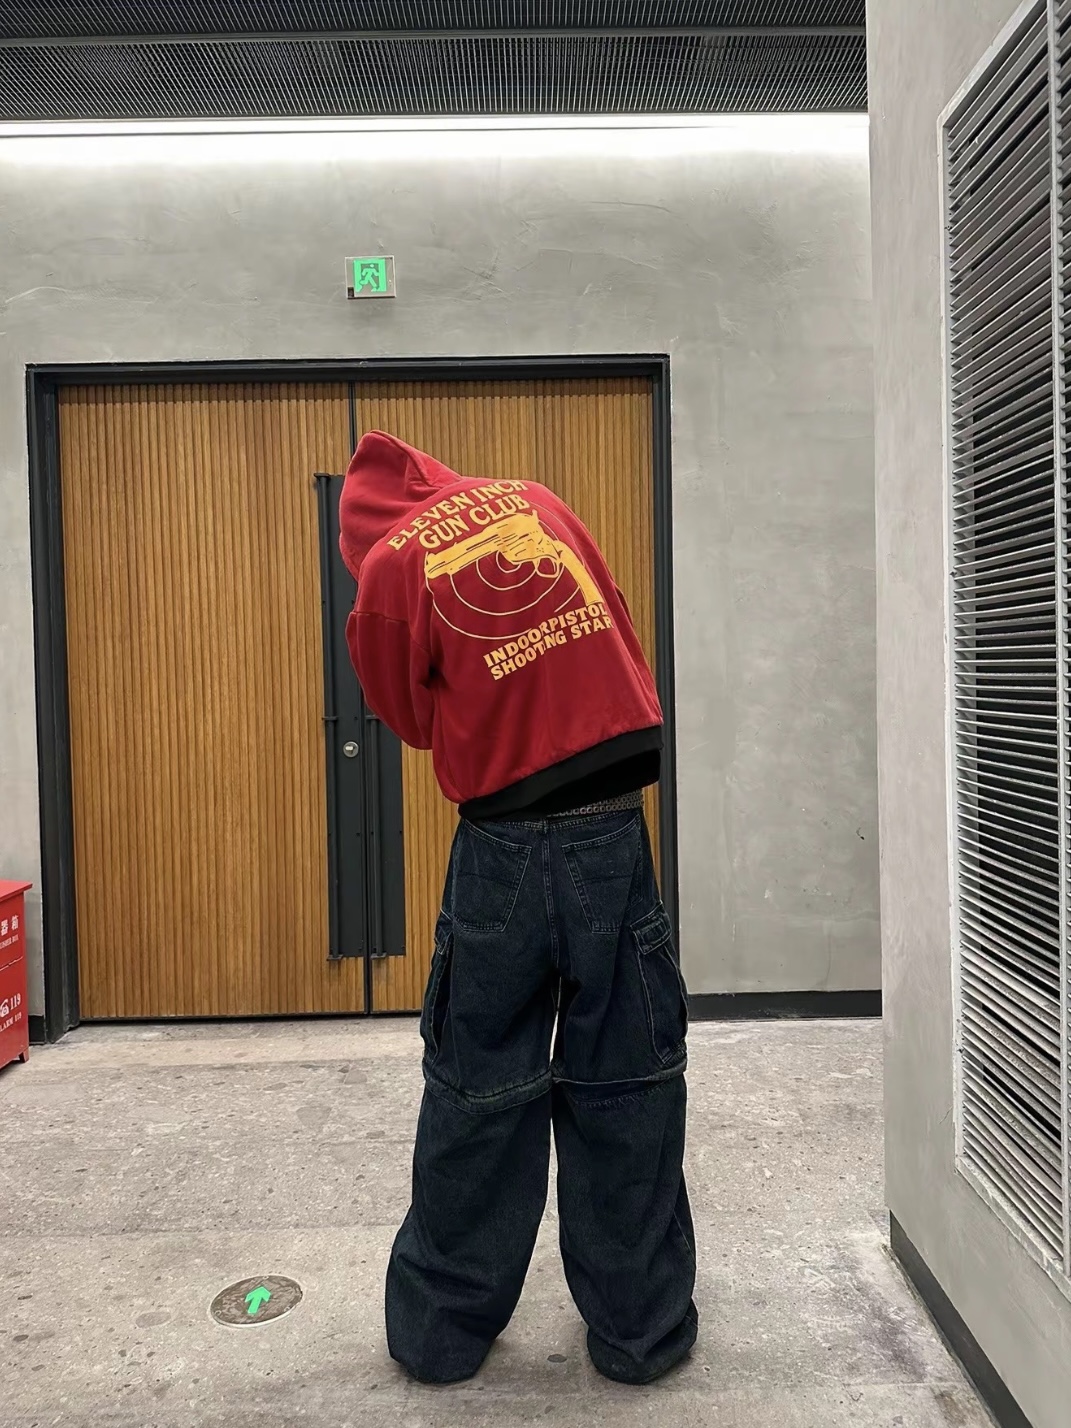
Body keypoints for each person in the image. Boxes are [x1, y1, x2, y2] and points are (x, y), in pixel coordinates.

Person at [339, 431, 697, 1386]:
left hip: (500, 841)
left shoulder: (389, 566)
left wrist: (484, 704)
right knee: (629, 1077)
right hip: (612, 825)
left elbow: (408, 718)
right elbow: (614, 616)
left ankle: (440, 1336)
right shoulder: (536, 497)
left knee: (478, 1085)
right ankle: (640, 1336)